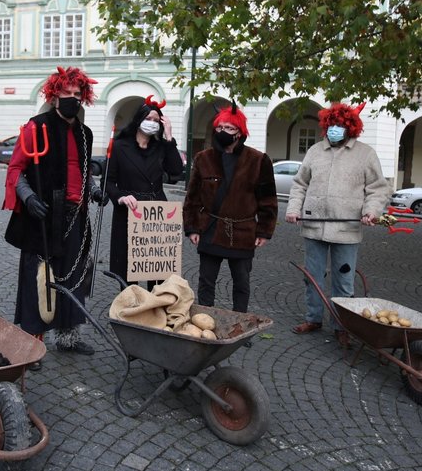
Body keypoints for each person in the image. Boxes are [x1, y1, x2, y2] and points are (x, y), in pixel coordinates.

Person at [3, 66, 100, 367]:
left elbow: (83, 171)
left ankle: (68, 337)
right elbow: (16, 169)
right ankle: (32, 343)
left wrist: (95, 190)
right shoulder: (36, 127)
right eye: (65, 94)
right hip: (43, 217)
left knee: (73, 276)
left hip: (75, 217)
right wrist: (28, 197)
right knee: (39, 280)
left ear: (83, 98)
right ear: (54, 96)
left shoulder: (85, 133)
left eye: (76, 95)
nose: (71, 99)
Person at [285, 102, 391, 343]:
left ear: (350, 128)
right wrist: (293, 209)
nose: (335, 129)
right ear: (325, 125)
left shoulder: (365, 154)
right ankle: (313, 318)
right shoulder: (314, 152)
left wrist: (371, 211)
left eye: (340, 125)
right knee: (312, 276)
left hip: (347, 229)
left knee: (344, 280)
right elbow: (300, 184)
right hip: (314, 225)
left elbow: (377, 189)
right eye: (331, 124)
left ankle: (341, 325)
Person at [183, 104, 277, 313]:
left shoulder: (258, 160)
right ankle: (204, 321)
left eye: (229, 128)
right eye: (220, 127)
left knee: (241, 283)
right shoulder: (203, 158)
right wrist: (192, 228)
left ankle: (240, 323)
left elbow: (268, 199)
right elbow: (193, 198)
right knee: (206, 281)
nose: (223, 132)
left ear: (240, 132)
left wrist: (264, 231)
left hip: (243, 232)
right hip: (211, 228)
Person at [105, 96, 183, 285]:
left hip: (156, 214)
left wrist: (169, 137)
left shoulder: (162, 147)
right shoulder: (119, 146)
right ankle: (130, 309)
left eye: (156, 121)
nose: (152, 123)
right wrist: (121, 197)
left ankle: (155, 309)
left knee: (156, 272)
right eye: (148, 119)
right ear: (139, 120)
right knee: (129, 271)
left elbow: (176, 171)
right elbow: (108, 182)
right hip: (129, 213)